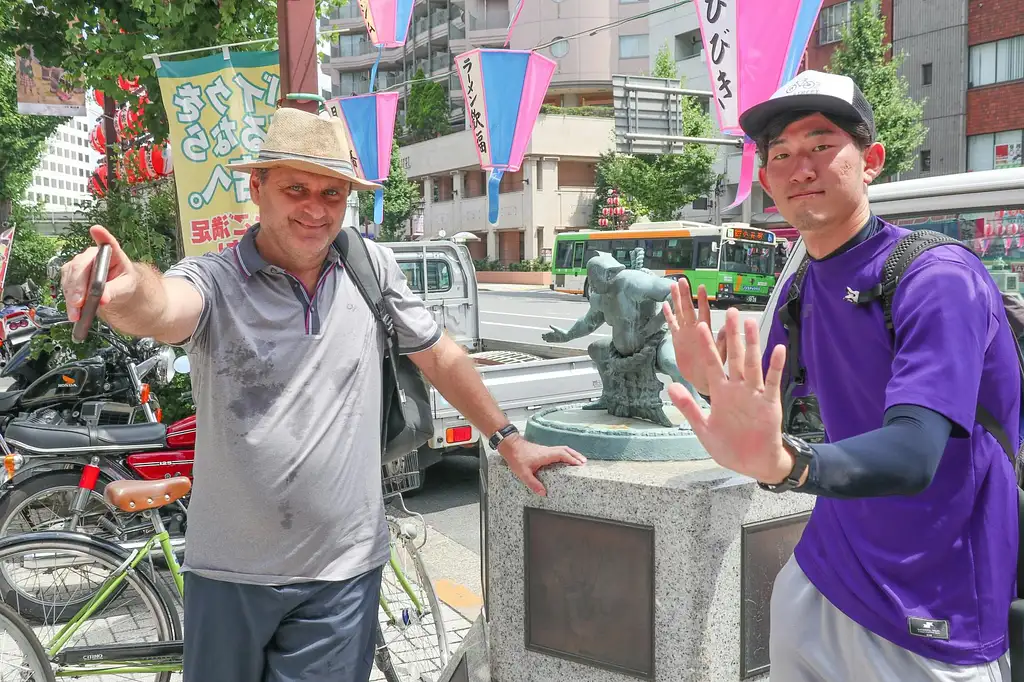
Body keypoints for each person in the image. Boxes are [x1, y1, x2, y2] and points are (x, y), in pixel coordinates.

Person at [60, 106, 586, 682]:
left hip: (343, 575)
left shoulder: (370, 267)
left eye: (332, 194)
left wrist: (508, 440)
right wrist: (127, 288)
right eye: (295, 189)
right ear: (257, 188)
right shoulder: (215, 278)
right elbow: (163, 307)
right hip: (230, 572)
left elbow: (439, 354)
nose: (315, 209)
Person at [663, 70, 1018, 681]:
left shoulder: (936, 279)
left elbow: (913, 453)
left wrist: (788, 465)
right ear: (768, 179)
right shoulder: (801, 286)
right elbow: (775, 419)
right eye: (781, 154)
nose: (801, 168)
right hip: (822, 574)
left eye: (822, 146)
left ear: (871, 160)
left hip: (934, 604)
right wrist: (709, 383)